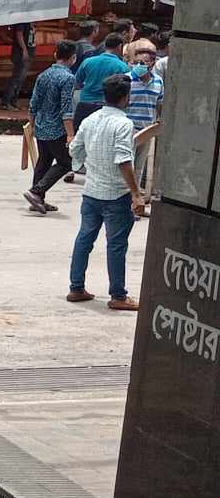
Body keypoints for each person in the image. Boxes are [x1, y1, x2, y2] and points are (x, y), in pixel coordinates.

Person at [68, 73, 145, 311]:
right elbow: (123, 160)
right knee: (116, 244)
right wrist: (136, 193)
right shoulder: (123, 123)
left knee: (84, 239)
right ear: (125, 97)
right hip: (116, 193)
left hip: (91, 191)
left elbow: (75, 150)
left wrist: (89, 163)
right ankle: (118, 295)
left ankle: (76, 287)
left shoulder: (91, 119)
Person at [25, 40, 80, 214]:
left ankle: (37, 199)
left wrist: (32, 125)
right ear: (73, 58)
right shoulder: (68, 78)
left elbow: (33, 103)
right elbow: (66, 108)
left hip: (41, 125)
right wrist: (70, 134)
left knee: (44, 161)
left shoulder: (43, 75)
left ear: (56, 55)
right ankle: (37, 191)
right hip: (56, 128)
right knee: (66, 162)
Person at [126, 47, 165, 197]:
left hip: (146, 131)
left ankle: (133, 202)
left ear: (152, 63)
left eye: (143, 62)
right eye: (136, 62)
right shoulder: (126, 79)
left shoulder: (158, 82)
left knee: (138, 169)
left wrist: (159, 122)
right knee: (125, 167)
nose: (139, 65)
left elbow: (160, 104)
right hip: (128, 130)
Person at [73, 32, 130, 129]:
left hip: (84, 105)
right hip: (107, 108)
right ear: (120, 46)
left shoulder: (88, 62)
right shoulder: (122, 67)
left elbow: (76, 84)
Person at [1, 22, 36, 111]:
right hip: (20, 53)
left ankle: (14, 101)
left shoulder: (32, 22)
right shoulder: (23, 22)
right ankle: (6, 102)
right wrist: (24, 49)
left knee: (21, 79)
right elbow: (19, 35)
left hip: (29, 51)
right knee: (16, 77)